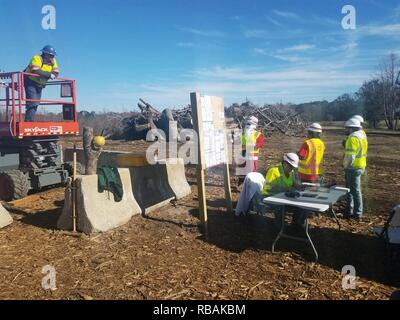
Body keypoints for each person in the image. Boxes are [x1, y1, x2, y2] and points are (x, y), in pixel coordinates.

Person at [23, 45, 59, 122]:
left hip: (40, 84)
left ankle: (29, 121)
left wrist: (49, 74)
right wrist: (49, 75)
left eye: (53, 55)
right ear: (45, 53)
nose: (52, 57)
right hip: (30, 82)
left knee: (36, 103)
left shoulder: (53, 61)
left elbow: (56, 73)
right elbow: (35, 71)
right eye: (50, 55)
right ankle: (28, 122)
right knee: (32, 102)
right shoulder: (37, 58)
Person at [343, 118, 368, 221]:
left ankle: (357, 213)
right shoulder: (362, 136)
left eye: (347, 128)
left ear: (351, 128)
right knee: (352, 190)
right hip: (361, 166)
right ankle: (350, 209)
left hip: (353, 168)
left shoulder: (352, 138)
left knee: (354, 191)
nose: (346, 130)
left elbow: (350, 157)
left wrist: (346, 166)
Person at [236, 116, 264, 185]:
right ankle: (241, 184)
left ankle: (250, 184)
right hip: (243, 154)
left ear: (254, 125)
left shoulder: (258, 134)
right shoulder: (242, 134)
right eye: (247, 124)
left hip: (252, 156)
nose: (247, 125)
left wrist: (254, 146)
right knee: (242, 169)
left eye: (250, 124)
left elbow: (261, 143)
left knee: (251, 171)